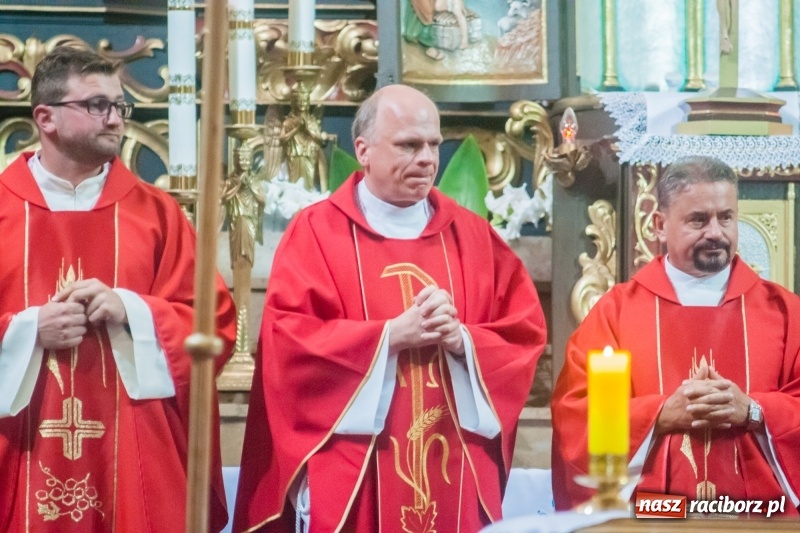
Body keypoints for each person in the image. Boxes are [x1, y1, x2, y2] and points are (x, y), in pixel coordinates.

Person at [233, 84, 546, 532]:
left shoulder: (472, 236)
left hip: (452, 472)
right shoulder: (317, 233)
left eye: (434, 145)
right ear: (363, 150)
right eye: (408, 145)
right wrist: (387, 338)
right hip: (354, 470)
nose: (426, 159)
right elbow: (289, 345)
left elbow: (522, 334)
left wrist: (463, 341)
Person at [0, 46, 236, 531]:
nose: (115, 118)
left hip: (135, 447)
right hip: (16, 448)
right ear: (45, 117)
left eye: (119, 105)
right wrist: (26, 330)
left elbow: (214, 323)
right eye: (96, 105)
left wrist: (132, 310)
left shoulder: (157, 213)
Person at [551, 156, 800, 514]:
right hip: (655, 513)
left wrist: (754, 410)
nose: (715, 232)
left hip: (760, 514)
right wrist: (661, 413)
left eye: (726, 217)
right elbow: (576, 416)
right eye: (698, 220)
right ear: (659, 225)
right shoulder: (617, 312)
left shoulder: (783, 311)